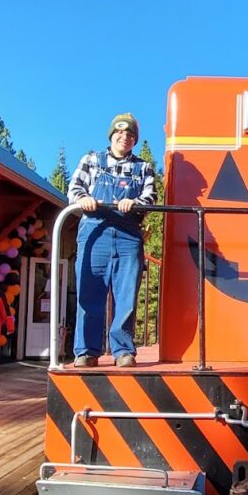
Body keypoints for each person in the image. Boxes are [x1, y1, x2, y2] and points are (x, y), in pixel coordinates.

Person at [67, 113, 158, 368]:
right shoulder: (91, 160)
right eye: (120, 133)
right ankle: (86, 351)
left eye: (130, 135)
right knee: (90, 292)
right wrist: (83, 199)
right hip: (95, 231)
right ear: (111, 135)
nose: (124, 138)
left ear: (135, 140)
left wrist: (135, 203)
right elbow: (74, 189)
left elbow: (151, 196)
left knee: (126, 295)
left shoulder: (143, 168)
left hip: (129, 234)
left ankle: (123, 351)